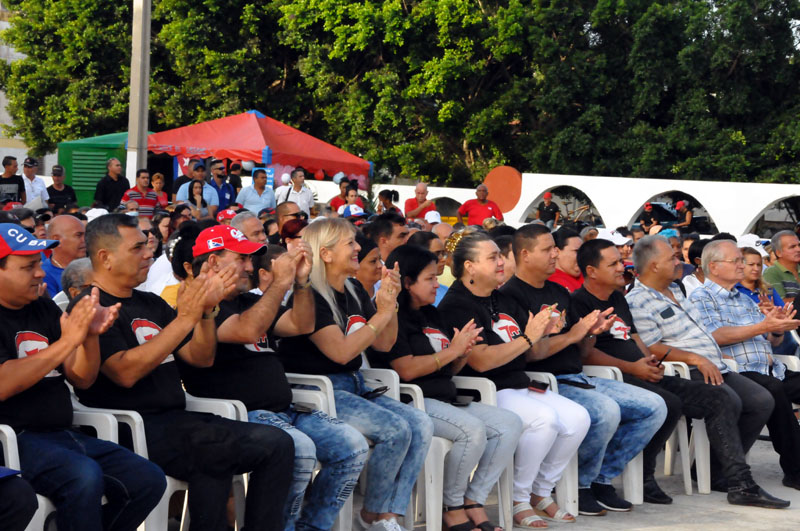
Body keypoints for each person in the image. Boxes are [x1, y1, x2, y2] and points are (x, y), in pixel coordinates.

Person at [73, 214, 295, 530]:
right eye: (138, 248)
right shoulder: (90, 306)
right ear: (105, 258)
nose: (149, 253)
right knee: (212, 447)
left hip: (178, 420)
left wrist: (205, 312)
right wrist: (185, 318)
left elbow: (200, 357)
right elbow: (125, 372)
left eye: (147, 246)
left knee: (278, 443)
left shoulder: (150, 303)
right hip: (128, 425)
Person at [174, 224, 370, 530]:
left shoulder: (250, 301)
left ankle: (310, 527)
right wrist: (280, 283)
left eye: (250, 260)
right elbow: (247, 330)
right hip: (241, 415)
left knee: (352, 447)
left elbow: (300, 324)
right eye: (241, 259)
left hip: (287, 410)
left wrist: (301, 282)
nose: (250, 268)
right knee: (301, 452)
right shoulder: (199, 304)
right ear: (212, 262)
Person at [573, 238, 767, 505]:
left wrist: (648, 362)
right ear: (592, 271)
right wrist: (636, 367)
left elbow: (636, 338)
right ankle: (636, 475)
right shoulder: (580, 302)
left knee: (719, 398)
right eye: (615, 263)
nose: (623, 267)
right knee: (668, 404)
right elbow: (586, 355)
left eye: (621, 261)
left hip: (644, 370)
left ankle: (739, 483)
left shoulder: (618, 298)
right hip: (615, 377)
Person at [0, 222, 166, 531]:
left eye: (39, 264)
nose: (40, 273)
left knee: (147, 479)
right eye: (28, 267)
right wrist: (66, 342)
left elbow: (82, 379)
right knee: (84, 476)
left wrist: (89, 337)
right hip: (14, 438)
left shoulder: (44, 310)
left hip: (62, 434)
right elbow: (4, 382)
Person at [501, 224, 667, 516]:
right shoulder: (511, 296)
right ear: (525, 255)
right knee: (605, 411)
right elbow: (526, 355)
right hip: (545, 383)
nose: (556, 254)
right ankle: (580, 485)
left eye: (555, 248)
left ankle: (601, 477)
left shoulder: (558, 291)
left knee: (654, 406)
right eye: (548, 249)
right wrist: (573, 335)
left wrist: (591, 332)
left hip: (579, 376)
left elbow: (583, 350)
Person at [278, 218, 433, 531]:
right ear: (326, 253)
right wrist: (383, 315)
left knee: (420, 423)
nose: (358, 248)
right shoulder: (313, 297)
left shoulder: (352, 289)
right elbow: (342, 352)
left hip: (354, 385)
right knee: (395, 429)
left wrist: (389, 307)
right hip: (318, 393)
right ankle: (369, 514)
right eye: (350, 243)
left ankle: (387, 514)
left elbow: (384, 343)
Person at [437, 228, 589, 528]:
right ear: (470, 267)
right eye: (493, 257)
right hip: (486, 390)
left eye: (501, 256)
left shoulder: (501, 300)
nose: (502, 263)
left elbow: (529, 352)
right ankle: (518, 498)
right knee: (543, 419)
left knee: (578, 418)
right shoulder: (457, 304)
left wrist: (556, 334)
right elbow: (480, 361)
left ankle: (540, 491)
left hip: (518, 382)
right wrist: (529, 339)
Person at [626, 235, 789, 507]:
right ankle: (741, 482)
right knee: (728, 400)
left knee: (761, 400)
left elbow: (702, 331)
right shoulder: (638, 300)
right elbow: (652, 347)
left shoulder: (676, 290)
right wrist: (695, 357)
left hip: (714, 364)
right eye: (671, 258)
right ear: (653, 266)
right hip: (682, 370)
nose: (679, 262)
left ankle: (716, 472)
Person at [372, 244, 524, 531]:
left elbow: (447, 366)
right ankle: (451, 507)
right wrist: (452, 352)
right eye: (429, 278)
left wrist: (462, 353)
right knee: (472, 430)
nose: (436, 284)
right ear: (407, 282)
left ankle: (473, 500)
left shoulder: (432, 314)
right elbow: (405, 369)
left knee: (510, 424)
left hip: (446, 396)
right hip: (412, 401)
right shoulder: (393, 316)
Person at [689, 239, 800, 490]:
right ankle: (795, 469)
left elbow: (768, 339)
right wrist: (764, 325)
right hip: (738, 370)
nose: (743, 265)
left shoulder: (744, 297)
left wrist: (777, 327)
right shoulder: (702, 297)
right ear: (714, 267)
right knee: (773, 390)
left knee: (779, 384)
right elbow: (714, 335)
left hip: (771, 368)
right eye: (736, 260)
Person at [737, 246, 799, 355]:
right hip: (749, 338)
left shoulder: (768, 289)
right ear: (740, 266)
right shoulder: (733, 290)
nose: (756, 268)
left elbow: (782, 311)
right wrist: (757, 310)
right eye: (751, 265)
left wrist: (774, 311)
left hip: (777, 335)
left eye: (759, 265)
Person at [40, 215, 86, 297]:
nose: (85, 240)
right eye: (79, 235)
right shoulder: (44, 275)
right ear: (57, 240)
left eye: (85, 235)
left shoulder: (93, 266)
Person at [407, 231, 450, 305]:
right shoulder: (405, 295)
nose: (443, 259)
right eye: (437, 254)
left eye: (443, 253)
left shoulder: (446, 291)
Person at [763, 230, 800, 304]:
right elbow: (779, 303)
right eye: (792, 247)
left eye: (799, 245)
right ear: (778, 253)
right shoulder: (771, 272)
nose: (798, 249)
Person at [548, 228, 583, 293]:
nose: (583, 256)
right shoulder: (553, 285)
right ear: (557, 252)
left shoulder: (589, 275)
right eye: (577, 251)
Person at [354, 232, 383, 299]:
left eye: (380, 259)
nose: (380, 265)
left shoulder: (384, 288)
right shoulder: (346, 296)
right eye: (373, 261)